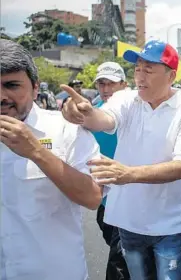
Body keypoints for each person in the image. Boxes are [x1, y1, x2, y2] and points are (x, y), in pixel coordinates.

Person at [61, 39, 181, 280]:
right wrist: (84, 114)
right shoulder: (127, 99)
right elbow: (103, 119)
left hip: (169, 224)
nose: (140, 75)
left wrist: (128, 174)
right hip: (129, 222)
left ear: (171, 76)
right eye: (137, 68)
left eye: (149, 69)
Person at [0, 39, 104, 279]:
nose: (2, 96)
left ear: (36, 88)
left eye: (12, 85)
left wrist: (36, 152)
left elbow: (92, 197)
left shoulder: (65, 129)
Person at [90, 61, 142, 280]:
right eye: (101, 83)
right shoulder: (92, 112)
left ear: (124, 84)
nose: (106, 89)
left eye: (111, 83)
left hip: (131, 199)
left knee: (119, 263)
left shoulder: (137, 110)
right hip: (104, 199)